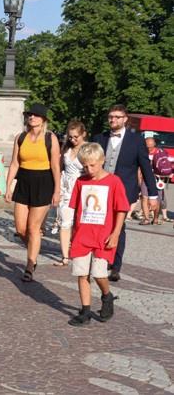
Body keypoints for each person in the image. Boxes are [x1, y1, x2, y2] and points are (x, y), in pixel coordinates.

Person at [93, 104, 158, 282]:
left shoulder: (136, 140)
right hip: (100, 189)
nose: (113, 120)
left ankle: (115, 265)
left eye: (117, 117)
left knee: (119, 228)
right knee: (100, 225)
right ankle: (102, 258)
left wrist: (153, 195)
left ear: (125, 119)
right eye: (110, 117)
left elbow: (146, 168)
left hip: (123, 190)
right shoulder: (100, 138)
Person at [67, 143, 128, 326]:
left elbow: (121, 210)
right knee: (82, 272)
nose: (89, 169)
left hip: (103, 236)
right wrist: (72, 232)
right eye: (85, 166)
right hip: (82, 235)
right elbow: (77, 207)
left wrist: (116, 233)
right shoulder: (81, 181)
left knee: (98, 273)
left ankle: (107, 296)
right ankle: (85, 310)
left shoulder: (114, 181)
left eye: (92, 165)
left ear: (102, 160)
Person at [5, 103, 61, 282]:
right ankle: (33, 250)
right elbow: (14, 163)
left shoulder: (50, 138)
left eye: (36, 115)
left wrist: (57, 190)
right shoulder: (20, 137)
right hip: (23, 183)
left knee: (33, 228)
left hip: (43, 183)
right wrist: (8, 187)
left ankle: (30, 265)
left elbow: (55, 166)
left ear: (43, 119)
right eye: (30, 115)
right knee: (21, 229)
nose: (32, 117)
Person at [54, 120, 87, 267]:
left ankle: (77, 250)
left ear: (83, 134)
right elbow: (60, 168)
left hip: (83, 189)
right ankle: (65, 257)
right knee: (64, 223)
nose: (73, 140)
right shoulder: (66, 149)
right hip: (66, 189)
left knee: (80, 223)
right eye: (71, 137)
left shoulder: (88, 149)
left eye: (76, 137)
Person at [139, 137, 169, 225]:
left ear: (154, 144)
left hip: (158, 179)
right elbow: (139, 167)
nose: (148, 148)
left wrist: (162, 179)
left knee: (157, 199)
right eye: (147, 146)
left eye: (150, 147)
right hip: (145, 178)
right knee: (144, 197)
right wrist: (139, 180)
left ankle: (155, 218)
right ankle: (146, 218)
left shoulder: (161, 153)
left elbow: (165, 166)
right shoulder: (142, 152)